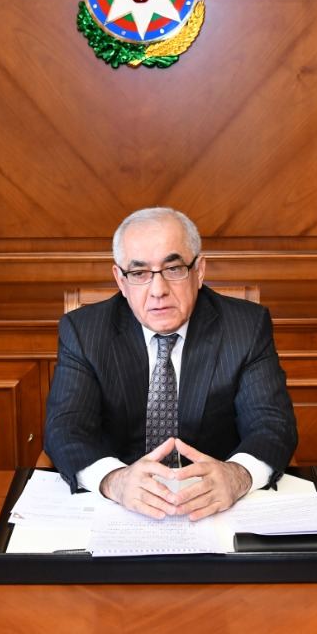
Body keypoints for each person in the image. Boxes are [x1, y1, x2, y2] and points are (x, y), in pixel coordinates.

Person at [44, 207, 297, 520]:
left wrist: (238, 476)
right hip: (120, 509)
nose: (158, 291)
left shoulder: (246, 327)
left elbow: (272, 425)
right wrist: (114, 481)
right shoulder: (84, 332)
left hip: (215, 508)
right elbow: (65, 428)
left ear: (199, 271)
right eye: (139, 274)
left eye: (174, 269)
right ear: (120, 280)